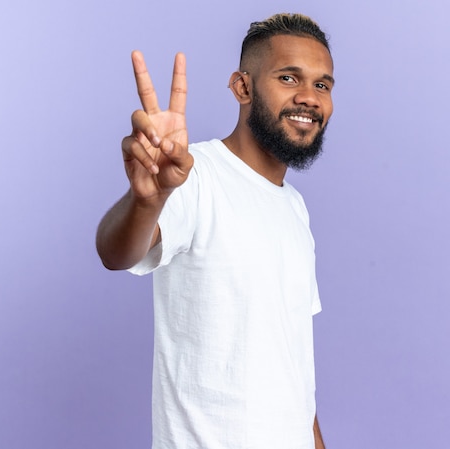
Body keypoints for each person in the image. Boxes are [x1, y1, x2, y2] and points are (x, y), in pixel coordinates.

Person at [96, 12, 334, 449]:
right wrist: (147, 200)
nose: (310, 98)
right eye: (288, 78)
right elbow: (117, 253)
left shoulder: (295, 208)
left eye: (322, 85)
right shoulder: (194, 175)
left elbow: (291, 361)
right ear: (242, 87)